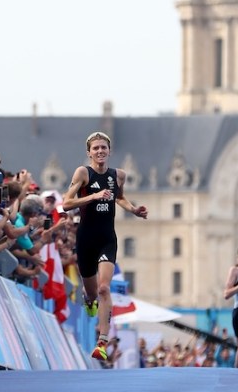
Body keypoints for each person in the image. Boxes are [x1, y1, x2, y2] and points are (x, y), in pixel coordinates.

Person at [61, 131, 148, 362]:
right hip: (85, 239)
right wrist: (92, 196)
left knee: (103, 289)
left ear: (109, 151)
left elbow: (119, 197)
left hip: (107, 239)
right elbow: (66, 203)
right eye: (96, 148)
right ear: (89, 152)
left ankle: (102, 342)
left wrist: (133, 210)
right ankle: (87, 299)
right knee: (91, 292)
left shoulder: (118, 175)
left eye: (103, 148)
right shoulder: (83, 173)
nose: (100, 151)